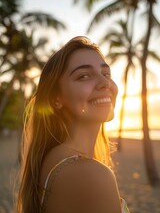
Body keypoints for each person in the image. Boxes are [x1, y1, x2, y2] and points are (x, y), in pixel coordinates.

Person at [16, 36, 130, 213]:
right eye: (84, 76)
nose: (105, 83)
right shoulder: (90, 174)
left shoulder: (52, 158)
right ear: (57, 98)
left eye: (106, 74)